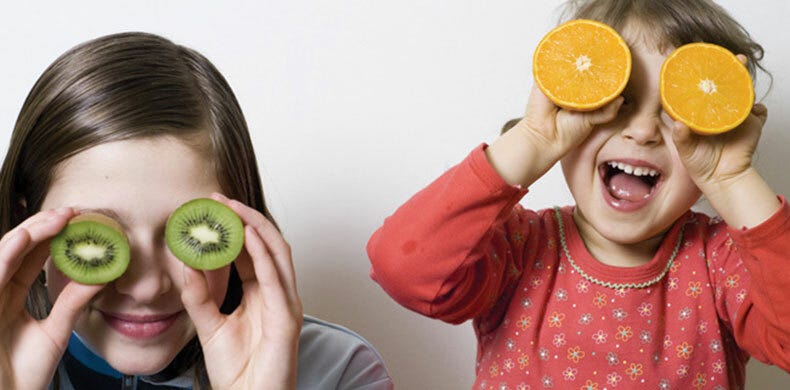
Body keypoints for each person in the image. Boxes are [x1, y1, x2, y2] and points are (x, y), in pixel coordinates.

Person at [367, 0, 789, 388]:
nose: (642, 132)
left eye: (676, 112)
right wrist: (532, 139)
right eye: (618, 101)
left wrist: (732, 179)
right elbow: (403, 270)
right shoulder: (519, 248)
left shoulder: (722, 263)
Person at [0, 32, 393, 389]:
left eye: (180, 237)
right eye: (97, 233)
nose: (147, 287)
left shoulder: (342, 372)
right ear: (24, 226)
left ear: (241, 230)